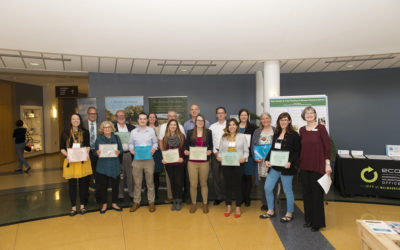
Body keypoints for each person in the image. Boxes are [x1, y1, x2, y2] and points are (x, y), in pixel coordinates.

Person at [260, 112, 300, 223]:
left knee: (287, 191)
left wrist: (290, 162)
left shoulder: (294, 135)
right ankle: (271, 210)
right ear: (278, 122)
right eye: (281, 120)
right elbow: (272, 149)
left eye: (285, 120)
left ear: (289, 121)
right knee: (267, 188)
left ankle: (289, 213)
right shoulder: (276, 133)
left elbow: (297, 152)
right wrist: (267, 160)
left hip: (287, 168)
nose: (283, 122)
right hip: (275, 167)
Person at [299, 106, 331, 232]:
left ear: (315, 115)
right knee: (306, 194)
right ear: (303, 116)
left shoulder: (321, 128)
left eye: (312, 112)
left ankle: (317, 223)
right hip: (304, 166)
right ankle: (309, 220)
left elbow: (327, 148)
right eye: (307, 113)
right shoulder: (301, 130)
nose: (309, 115)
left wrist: (327, 164)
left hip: (317, 166)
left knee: (316, 195)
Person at [60, 113, 93, 216]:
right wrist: (67, 156)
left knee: (83, 185)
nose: (75, 121)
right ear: (70, 121)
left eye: (77, 119)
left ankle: (82, 206)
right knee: (72, 185)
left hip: (83, 161)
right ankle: (73, 207)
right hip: (71, 162)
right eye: (73, 119)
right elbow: (62, 148)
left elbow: (88, 146)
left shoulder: (85, 132)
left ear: (80, 121)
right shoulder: (65, 133)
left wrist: (86, 153)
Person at [217, 118, 248, 218]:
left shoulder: (242, 137)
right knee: (228, 185)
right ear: (227, 127)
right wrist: (219, 157)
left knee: (238, 185)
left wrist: (244, 158)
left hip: (238, 164)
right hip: (226, 164)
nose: (232, 126)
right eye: (230, 125)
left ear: (237, 126)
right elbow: (220, 151)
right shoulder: (223, 137)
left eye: (234, 124)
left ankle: (238, 206)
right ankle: (228, 206)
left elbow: (246, 151)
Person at [128, 112, 158, 213]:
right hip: (137, 160)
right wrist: (131, 149)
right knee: (137, 183)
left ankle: (151, 202)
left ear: (147, 120)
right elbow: (130, 143)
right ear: (138, 120)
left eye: (144, 119)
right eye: (140, 119)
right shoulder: (133, 132)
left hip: (149, 160)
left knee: (150, 182)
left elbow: (155, 143)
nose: (142, 120)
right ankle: (136, 202)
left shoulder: (151, 131)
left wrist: (154, 149)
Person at [184, 114, 213, 214]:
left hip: (204, 162)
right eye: (198, 120)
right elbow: (186, 146)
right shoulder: (190, 132)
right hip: (192, 162)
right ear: (195, 122)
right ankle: (194, 204)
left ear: (204, 122)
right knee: (193, 184)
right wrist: (185, 151)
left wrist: (210, 151)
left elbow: (211, 146)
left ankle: (205, 204)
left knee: (204, 183)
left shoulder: (208, 132)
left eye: (202, 120)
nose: (200, 122)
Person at [95, 121, 123, 214]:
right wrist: (97, 153)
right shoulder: (99, 139)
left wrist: (119, 152)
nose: (107, 129)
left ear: (112, 128)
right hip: (103, 165)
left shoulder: (116, 137)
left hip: (114, 164)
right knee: (103, 186)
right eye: (105, 127)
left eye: (109, 127)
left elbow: (121, 149)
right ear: (102, 129)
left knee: (115, 186)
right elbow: (95, 152)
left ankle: (114, 203)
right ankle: (104, 204)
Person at [158, 110, 185, 203]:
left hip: (179, 162)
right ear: (168, 126)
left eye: (174, 124)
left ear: (177, 126)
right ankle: (174, 200)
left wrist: (183, 158)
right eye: (171, 125)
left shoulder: (181, 136)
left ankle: (179, 200)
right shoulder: (165, 137)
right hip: (169, 163)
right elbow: (162, 146)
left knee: (178, 182)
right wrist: (164, 157)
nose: (173, 126)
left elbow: (183, 148)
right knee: (172, 182)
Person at [250, 112, 274, 211]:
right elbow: (252, 145)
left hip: (273, 161)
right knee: (263, 183)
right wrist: (255, 157)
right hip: (261, 161)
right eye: (263, 119)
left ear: (270, 119)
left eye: (267, 118)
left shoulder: (276, 130)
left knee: (274, 183)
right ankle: (265, 203)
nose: (265, 120)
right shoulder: (257, 131)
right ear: (261, 121)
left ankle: (272, 202)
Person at [114, 110, 136, 202]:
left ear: (125, 117)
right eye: (119, 116)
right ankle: (120, 194)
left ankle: (131, 193)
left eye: (122, 115)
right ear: (116, 117)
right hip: (118, 155)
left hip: (129, 154)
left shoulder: (132, 128)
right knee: (120, 175)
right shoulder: (113, 128)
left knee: (131, 175)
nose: (121, 117)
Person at [238, 109, 258, 206]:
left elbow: (256, 140)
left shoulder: (253, 127)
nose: (244, 117)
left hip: (249, 155)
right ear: (239, 116)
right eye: (242, 115)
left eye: (245, 115)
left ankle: (247, 198)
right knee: (240, 177)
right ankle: (241, 197)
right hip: (237, 156)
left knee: (248, 177)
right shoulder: (235, 126)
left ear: (248, 116)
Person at [209, 107, 227, 205]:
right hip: (215, 154)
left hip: (228, 154)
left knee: (227, 176)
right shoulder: (212, 127)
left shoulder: (230, 125)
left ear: (225, 114)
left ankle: (228, 196)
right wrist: (215, 152)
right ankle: (219, 197)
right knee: (216, 176)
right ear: (216, 115)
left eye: (222, 113)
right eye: (218, 113)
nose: (220, 115)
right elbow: (210, 142)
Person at [147, 113, 163, 201]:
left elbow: (161, 139)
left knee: (156, 174)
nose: (152, 118)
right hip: (147, 153)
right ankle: (149, 193)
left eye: (154, 117)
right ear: (147, 119)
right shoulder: (143, 128)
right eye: (150, 117)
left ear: (156, 119)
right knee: (148, 174)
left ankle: (156, 193)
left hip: (157, 153)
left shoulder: (160, 128)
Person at [87, 106, 101, 203]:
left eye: (95, 114)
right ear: (88, 115)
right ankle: (85, 197)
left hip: (98, 153)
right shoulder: (83, 125)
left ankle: (98, 196)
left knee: (98, 175)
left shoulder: (101, 125)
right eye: (91, 114)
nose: (93, 115)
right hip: (86, 153)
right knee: (86, 176)